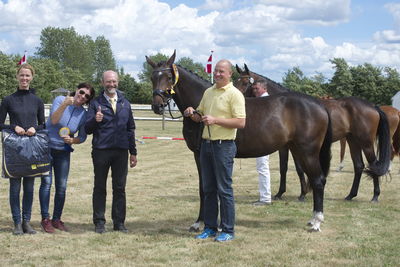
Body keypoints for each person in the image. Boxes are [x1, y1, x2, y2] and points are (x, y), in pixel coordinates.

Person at [184, 59, 246, 242]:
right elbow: (200, 116)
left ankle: (228, 230)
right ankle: (210, 227)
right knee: (208, 188)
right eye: (216, 71)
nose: (218, 74)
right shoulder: (208, 92)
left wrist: (216, 120)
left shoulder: (235, 94)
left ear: (229, 74)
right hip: (207, 144)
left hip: (224, 146)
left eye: (221, 71)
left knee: (224, 189)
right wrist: (192, 113)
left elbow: (241, 122)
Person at [85, 70, 137, 234]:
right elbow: (87, 129)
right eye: (108, 82)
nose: (111, 84)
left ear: (118, 82)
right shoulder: (95, 103)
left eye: (114, 81)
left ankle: (119, 223)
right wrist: (95, 120)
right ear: (102, 83)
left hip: (121, 151)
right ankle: (99, 222)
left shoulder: (125, 103)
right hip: (101, 151)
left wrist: (133, 152)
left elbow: (130, 129)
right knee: (100, 187)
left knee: (119, 188)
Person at [39, 83, 95, 233]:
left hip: (63, 152)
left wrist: (73, 140)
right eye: (81, 92)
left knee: (61, 187)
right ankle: (45, 219)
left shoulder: (83, 114)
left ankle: (57, 219)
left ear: (87, 100)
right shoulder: (60, 99)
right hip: (47, 148)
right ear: (76, 90)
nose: (82, 96)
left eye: (86, 96)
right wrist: (64, 104)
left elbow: (82, 137)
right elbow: (54, 121)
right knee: (46, 183)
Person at [0, 63, 45, 235]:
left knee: (29, 187)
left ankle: (27, 222)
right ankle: (17, 223)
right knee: (14, 187)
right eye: (22, 75)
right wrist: (13, 127)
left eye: (27, 76)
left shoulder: (37, 100)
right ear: (17, 77)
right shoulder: (8, 100)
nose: (24, 78)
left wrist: (35, 128)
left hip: (31, 147)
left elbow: (43, 124)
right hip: (14, 148)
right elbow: (0, 123)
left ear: (32, 77)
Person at [251, 80, 272, 206]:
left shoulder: (265, 101)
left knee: (262, 166)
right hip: (262, 137)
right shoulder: (262, 100)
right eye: (253, 89)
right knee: (262, 167)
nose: (254, 91)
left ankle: (265, 197)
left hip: (263, 138)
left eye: (256, 89)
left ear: (264, 88)